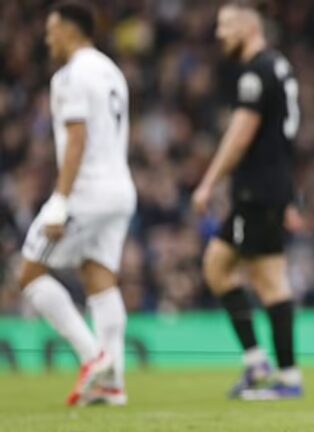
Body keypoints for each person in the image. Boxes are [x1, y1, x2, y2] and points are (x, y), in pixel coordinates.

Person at [17, 1, 134, 407]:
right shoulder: (111, 71)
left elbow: (77, 140)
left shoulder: (70, 75)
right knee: (98, 275)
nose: (47, 38)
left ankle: (94, 358)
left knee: (29, 273)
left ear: (69, 30)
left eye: (52, 30)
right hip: (120, 188)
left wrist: (60, 201)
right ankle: (112, 385)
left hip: (88, 191)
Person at [192, 0, 302, 400]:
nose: (219, 33)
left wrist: (208, 183)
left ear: (248, 28)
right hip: (268, 188)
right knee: (216, 265)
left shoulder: (256, 73)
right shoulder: (279, 66)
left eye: (226, 25)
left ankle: (287, 378)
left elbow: (240, 137)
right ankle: (257, 363)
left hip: (257, 190)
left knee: (269, 280)